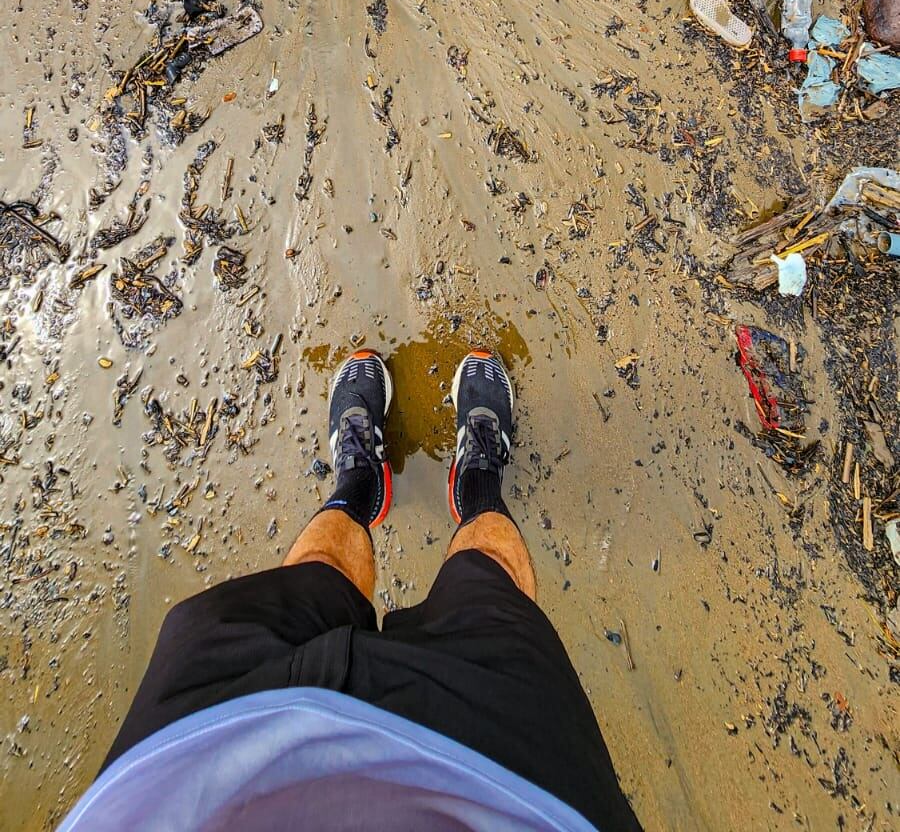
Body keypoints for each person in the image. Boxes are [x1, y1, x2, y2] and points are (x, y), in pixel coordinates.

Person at [60, 348, 642, 831]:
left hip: (187, 761)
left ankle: (359, 483)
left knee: (317, 573)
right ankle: (479, 483)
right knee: (490, 575)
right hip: (504, 780)